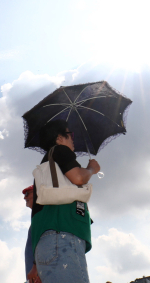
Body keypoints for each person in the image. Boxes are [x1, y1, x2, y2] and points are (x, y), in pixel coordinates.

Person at [31, 119, 100, 283]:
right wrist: (92, 169)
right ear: (59, 138)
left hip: (49, 242)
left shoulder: (48, 169)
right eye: (70, 135)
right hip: (62, 237)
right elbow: (77, 177)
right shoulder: (60, 151)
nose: (73, 139)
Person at [23, 185, 41, 283]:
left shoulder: (42, 217)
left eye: (27, 193)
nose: (24, 197)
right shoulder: (35, 220)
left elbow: (45, 244)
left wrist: (37, 269)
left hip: (41, 275)